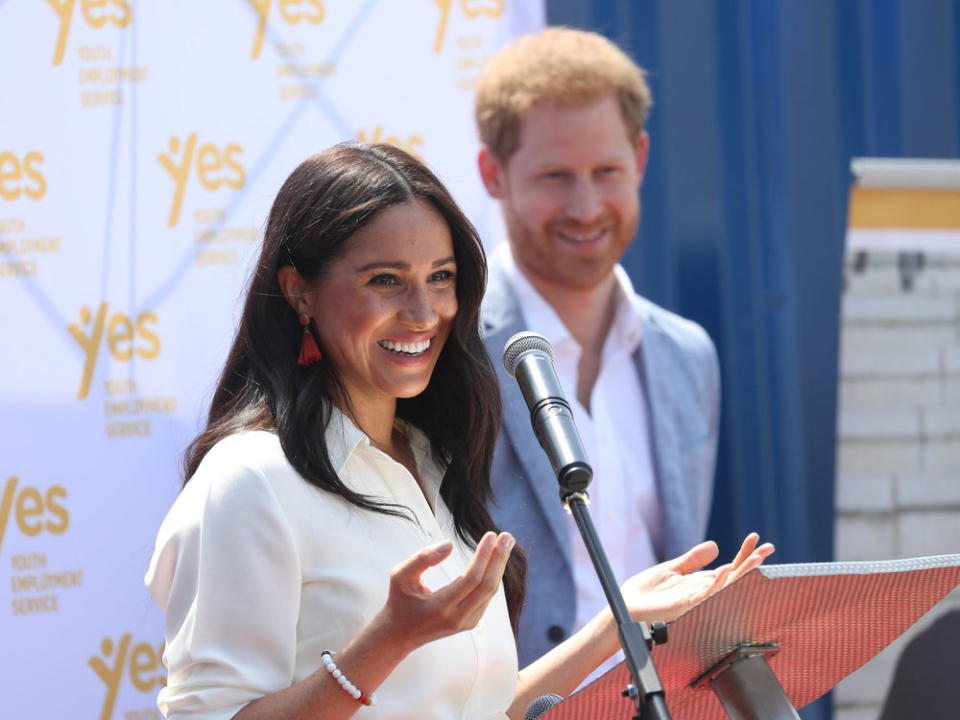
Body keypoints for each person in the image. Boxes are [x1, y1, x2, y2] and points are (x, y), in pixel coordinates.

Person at [145, 143, 771, 720]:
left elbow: (480, 710)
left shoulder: (429, 459)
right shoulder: (250, 479)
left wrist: (617, 620)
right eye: (385, 280)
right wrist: (386, 640)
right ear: (299, 293)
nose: (423, 313)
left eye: (440, 277)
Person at [475, 27, 722, 670]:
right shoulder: (445, 355)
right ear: (492, 174)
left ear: (640, 159)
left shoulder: (688, 356)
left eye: (606, 171)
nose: (585, 207)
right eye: (556, 176)